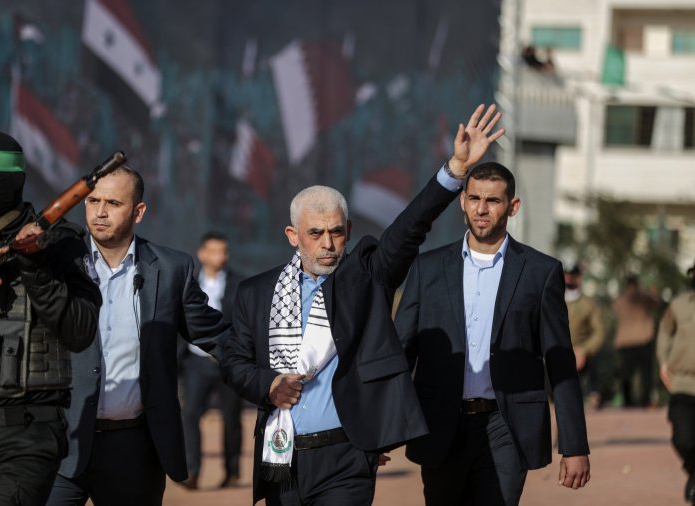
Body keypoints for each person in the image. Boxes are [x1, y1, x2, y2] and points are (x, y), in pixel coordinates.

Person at [220, 104, 504, 505]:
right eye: (315, 232)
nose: (328, 243)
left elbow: (410, 228)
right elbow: (233, 361)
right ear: (292, 235)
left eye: (337, 232)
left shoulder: (367, 277)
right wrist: (267, 384)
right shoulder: (256, 293)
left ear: (350, 231)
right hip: (281, 456)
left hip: (347, 458)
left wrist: (455, 169)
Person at [394, 162, 591, 506]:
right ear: (462, 202)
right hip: (441, 424)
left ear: (512, 206)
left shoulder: (541, 272)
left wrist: (574, 446)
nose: (481, 209)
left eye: (493, 201)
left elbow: (560, 362)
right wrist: (383, 431)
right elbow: (401, 352)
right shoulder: (428, 268)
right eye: (474, 198)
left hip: (507, 427)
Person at [46, 166, 230, 505]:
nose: (99, 212)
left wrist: (270, 371)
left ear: (138, 212)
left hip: (133, 448)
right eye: (92, 200)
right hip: (59, 444)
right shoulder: (57, 264)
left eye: (113, 202)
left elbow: (215, 336)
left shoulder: (172, 268)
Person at [0, 131, 101, 505]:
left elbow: (79, 331)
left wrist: (37, 271)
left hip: (24, 436)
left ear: (17, 182)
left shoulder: (61, 243)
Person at [178, 231, 244, 489]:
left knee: (231, 417)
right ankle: (192, 471)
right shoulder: (190, 282)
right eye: (215, 251)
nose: (221, 256)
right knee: (190, 414)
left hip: (228, 362)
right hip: (196, 361)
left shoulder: (239, 283)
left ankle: (232, 472)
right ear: (202, 253)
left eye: (224, 251)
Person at [656, 260, 695, 505]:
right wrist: (663, 361)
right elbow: (665, 330)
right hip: (683, 383)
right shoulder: (679, 306)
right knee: (683, 438)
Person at [613, 275, 658, 407]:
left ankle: (628, 401)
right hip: (644, 338)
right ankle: (645, 400)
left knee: (626, 373)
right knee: (646, 372)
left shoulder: (620, 299)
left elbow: (615, 308)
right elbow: (656, 303)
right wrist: (653, 292)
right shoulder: (643, 297)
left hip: (625, 341)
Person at [564, 263, 605, 405]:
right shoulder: (553, 300)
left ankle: (593, 394)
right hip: (558, 352)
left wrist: (584, 350)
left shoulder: (588, 304)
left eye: (572, 276)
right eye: (566, 275)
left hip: (582, 354)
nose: (568, 279)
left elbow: (599, 333)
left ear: (579, 278)